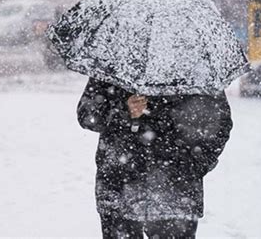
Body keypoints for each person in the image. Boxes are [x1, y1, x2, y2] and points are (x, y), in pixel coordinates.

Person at [77, 78, 232, 238]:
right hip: (120, 185)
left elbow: (220, 124)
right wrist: (123, 110)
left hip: (176, 192)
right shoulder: (113, 63)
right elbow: (87, 115)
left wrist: (195, 166)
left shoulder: (195, 68)